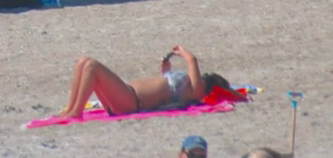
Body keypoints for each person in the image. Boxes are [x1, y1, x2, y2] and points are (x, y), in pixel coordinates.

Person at [53, 47, 227, 118]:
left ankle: (76, 111)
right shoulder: (187, 89)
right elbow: (167, 86)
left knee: (92, 66)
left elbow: (193, 61)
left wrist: (184, 53)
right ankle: (71, 109)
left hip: (132, 101)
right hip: (125, 97)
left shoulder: (196, 93)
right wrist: (166, 69)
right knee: (83, 62)